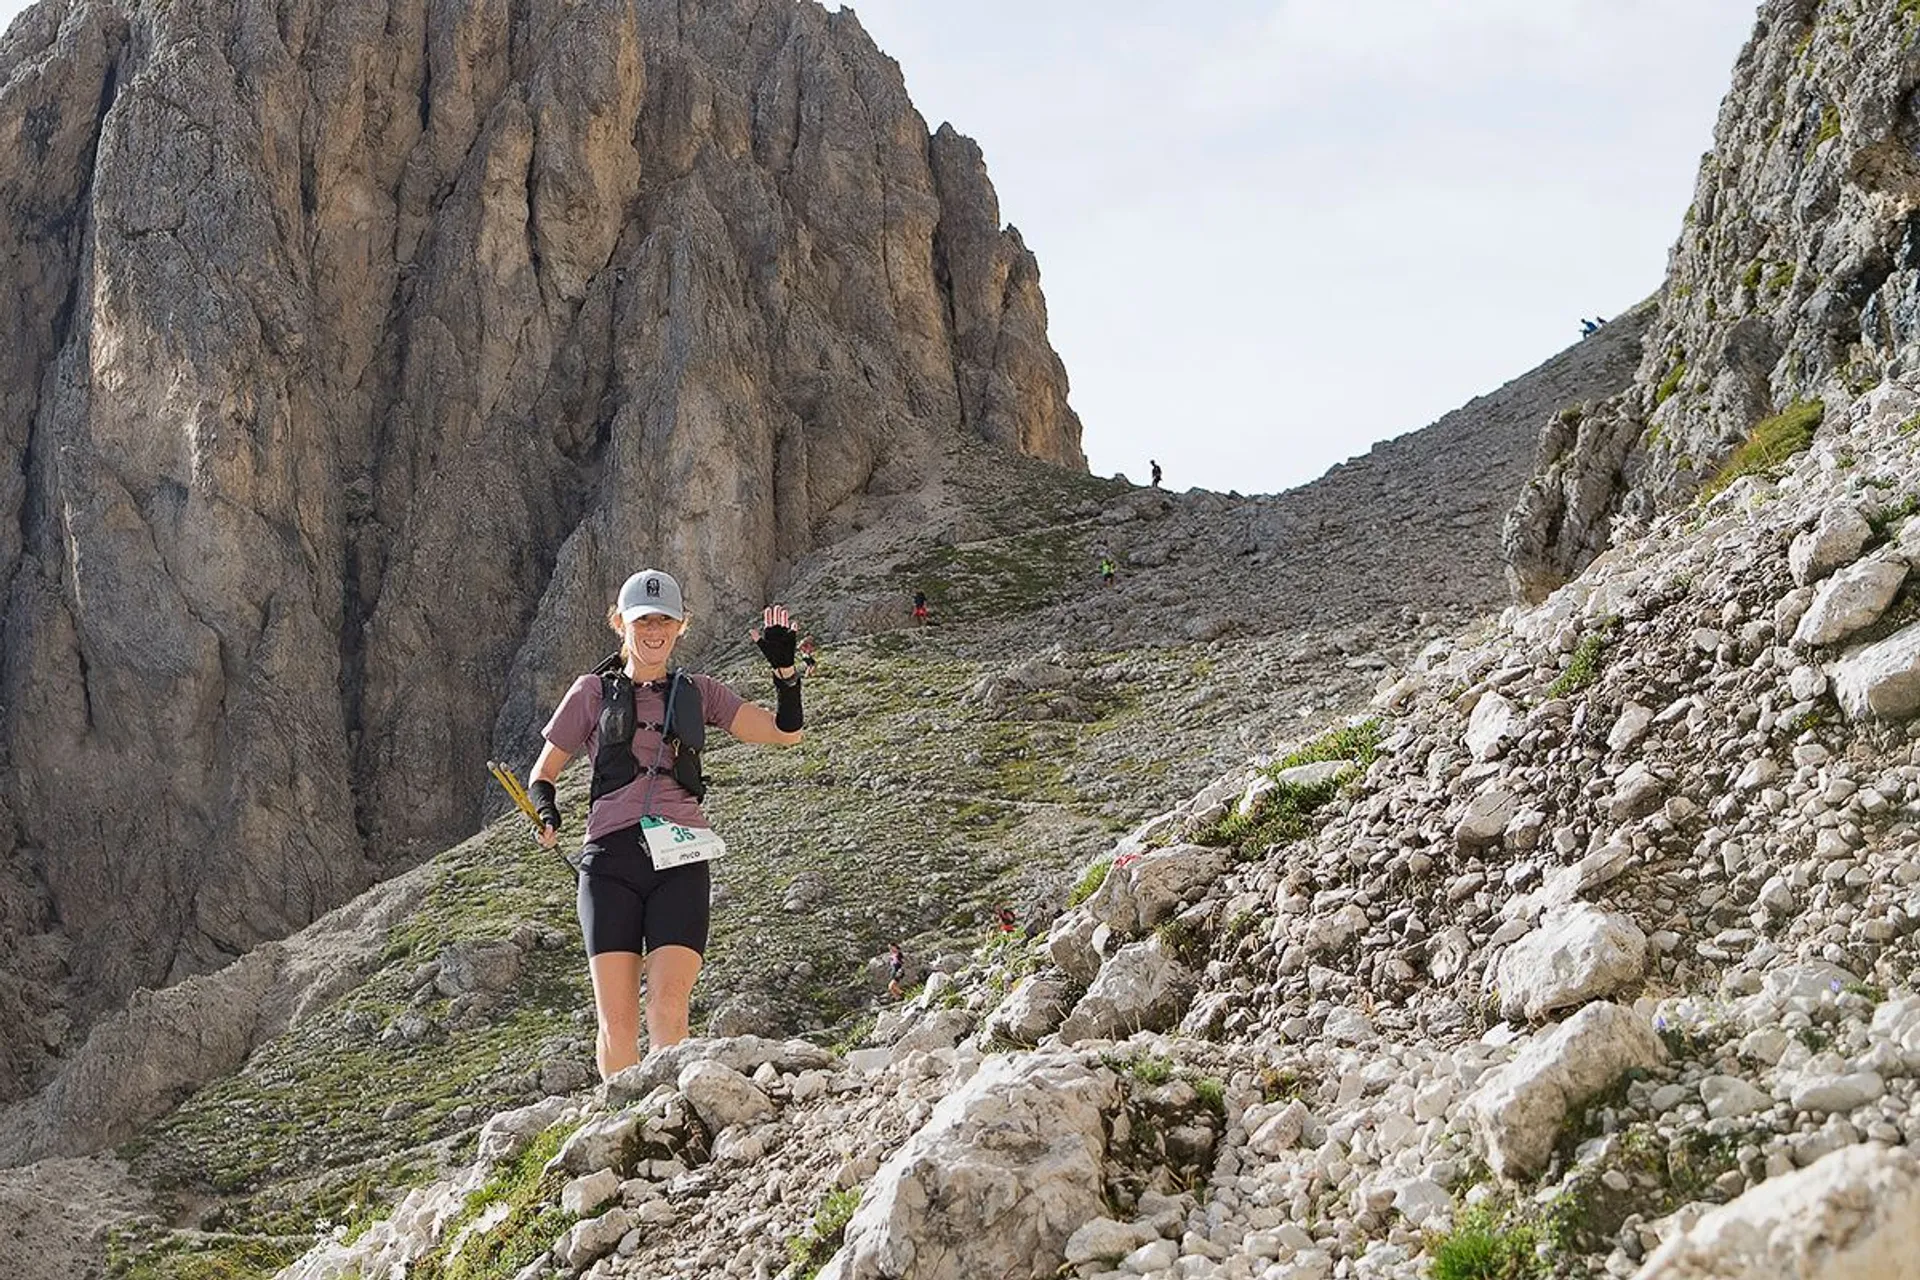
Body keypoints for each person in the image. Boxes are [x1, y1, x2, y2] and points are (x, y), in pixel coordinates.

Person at [527, 569, 807, 1079]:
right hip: (609, 862)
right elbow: (543, 773)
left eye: (664, 620)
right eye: (642, 620)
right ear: (620, 624)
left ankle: (664, 1116)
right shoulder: (591, 692)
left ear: (681, 626)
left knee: (669, 1007)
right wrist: (547, 814)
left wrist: (786, 675)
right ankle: (618, 1125)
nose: (653, 630)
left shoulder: (701, 692)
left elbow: (784, 734)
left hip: (681, 860)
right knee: (617, 1022)